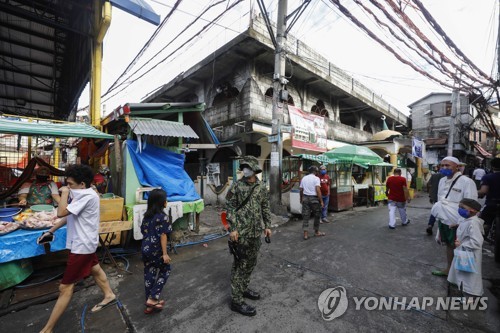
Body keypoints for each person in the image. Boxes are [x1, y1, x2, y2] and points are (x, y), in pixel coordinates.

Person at [37, 164, 116, 333]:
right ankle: (109, 295)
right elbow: (69, 215)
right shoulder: (81, 194)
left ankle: (47, 329)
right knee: (95, 269)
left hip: (83, 246)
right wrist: (51, 231)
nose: (68, 186)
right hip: (83, 243)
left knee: (65, 287)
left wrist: (63, 193)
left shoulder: (88, 196)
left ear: (82, 184)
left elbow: (61, 212)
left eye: (70, 184)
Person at [226, 156, 272, 317]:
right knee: (240, 264)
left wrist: (267, 225)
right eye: (243, 167)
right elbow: (229, 207)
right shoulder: (237, 186)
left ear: (254, 169)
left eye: (247, 167)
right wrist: (233, 228)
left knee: (251, 262)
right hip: (241, 233)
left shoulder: (261, 186)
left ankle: (243, 288)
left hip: (255, 232)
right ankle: (236, 301)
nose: (244, 169)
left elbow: (265, 206)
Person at [430, 156, 477, 277]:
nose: (444, 168)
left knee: (460, 247)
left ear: (457, 166)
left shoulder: (467, 182)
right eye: (442, 165)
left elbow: (471, 204)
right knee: (448, 245)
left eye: (448, 165)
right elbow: (441, 199)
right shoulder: (442, 180)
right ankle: (449, 270)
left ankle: (461, 277)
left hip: (458, 220)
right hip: (444, 219)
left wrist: (462, 222)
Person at [141, 188, 172, 314]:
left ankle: (149, 305)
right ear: (162, 203)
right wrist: (164, 254)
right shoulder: (163, 217)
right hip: (157, 250)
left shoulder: (146, 216)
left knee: (150, 273)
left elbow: (143, 232)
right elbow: (163, 235)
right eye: (165, 199)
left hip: (145, 249)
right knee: (166, 270)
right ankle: (153, 298)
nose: (167, 201)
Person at [447, 198, 484, 298]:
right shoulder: (468, 220)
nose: (460, 209)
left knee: (469, 278)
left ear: (473, 210)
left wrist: (462, 245)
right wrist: (457, 225)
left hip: (470, 255)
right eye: (459, 207)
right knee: (463, 275)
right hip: (464, 253)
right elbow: (466, 228)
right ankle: (466, 295)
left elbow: (477, 242)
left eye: (462, 207)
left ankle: (470, 298)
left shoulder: (473, 223)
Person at [300, 165, 325, 240]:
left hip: (305, 198)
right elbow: (318, 190)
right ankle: (316, 232)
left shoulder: (304, 178)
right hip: (313, 199)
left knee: (306, 216)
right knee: (317, 215)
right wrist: (321, 201)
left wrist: (301, 198)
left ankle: (305, 234)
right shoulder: (316, 178)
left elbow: (301, 189)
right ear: (315, 172)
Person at [478, 158, 500, 238]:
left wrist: (476, 193)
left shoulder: (488, 177)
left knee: (483, 222)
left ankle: (481, 239)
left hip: (491, 203)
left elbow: (483, 191)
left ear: (492, 166)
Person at [426, 166, 446, 235]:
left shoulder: (434, 175)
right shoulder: (448, 176)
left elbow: (428, 184)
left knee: (435, 211)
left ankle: (430, 225)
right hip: (445, 198)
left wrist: (430, 194)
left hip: (435, 196)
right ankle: (442, 229)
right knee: (444, 212)